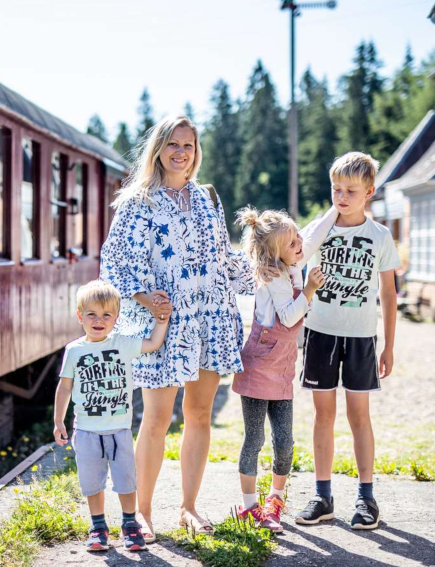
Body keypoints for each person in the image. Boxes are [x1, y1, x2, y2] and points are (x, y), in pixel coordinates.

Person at [100, 115, 256, 538]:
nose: (181, 153)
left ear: (195, 151)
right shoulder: (138, 202)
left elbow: (223, 257)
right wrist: (143, 297)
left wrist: (268, 273)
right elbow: (114, 262)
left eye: (188, 145)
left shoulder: (207, 197)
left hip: (209, 317)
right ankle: (142, 513)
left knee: (200, 414)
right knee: (155, 420)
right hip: (164, 325)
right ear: (158, 150)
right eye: (173, 144)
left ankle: (188, 507)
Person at [294, 151, 400, 531]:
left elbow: (388, 294)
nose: (341, 196)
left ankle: (366, 497)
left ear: (369, 192)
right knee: (323, 415)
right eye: (336, 189)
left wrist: (388, 345)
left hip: (361, 338)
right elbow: (295, 257)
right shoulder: (320, 231)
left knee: (359, 417)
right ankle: (323, 496)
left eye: (350, 190)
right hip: (320, 333)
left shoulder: (380, 236)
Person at [231, 206, 335, 532]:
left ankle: (274, 502)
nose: (300, 244)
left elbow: (315, 235)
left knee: (285, 441)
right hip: (259, 367)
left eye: (297, 238)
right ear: (276, 253)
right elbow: (289, 316)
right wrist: (309, 291)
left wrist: (337, 207)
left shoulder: (290, 265)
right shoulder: (272, 277)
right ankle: (249, 507)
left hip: (282, 369)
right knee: (254, 439)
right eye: (292, 243)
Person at [53, 280, 171, 552]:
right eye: (92, 314)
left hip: (119, 430)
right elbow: (65, 386)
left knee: (125, 479)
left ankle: (130, 525)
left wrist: (161, 320)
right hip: (86, 430)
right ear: (80, 316)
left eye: (107, 315)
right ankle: (98, 527)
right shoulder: (75, 350)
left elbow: (153, 342)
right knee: (92, 482)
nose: (99, 320)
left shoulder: (122, 344)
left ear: (116, 319)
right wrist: (59, 419)